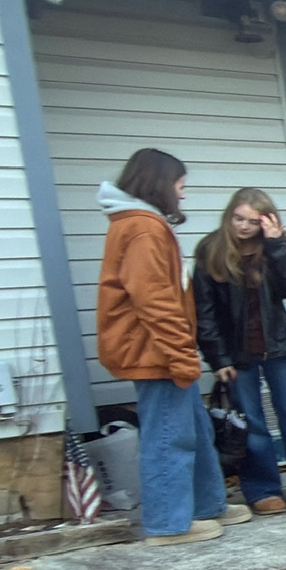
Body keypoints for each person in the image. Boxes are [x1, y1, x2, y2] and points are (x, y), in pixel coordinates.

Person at [95, 148, 252, 546]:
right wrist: (182, 356)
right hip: (155, 353)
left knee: (194, 430)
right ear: (160, 184)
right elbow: (154, 301)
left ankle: (206, 506)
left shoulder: (143, 223)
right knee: (168, 437)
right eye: (180, 185)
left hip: (161, 351)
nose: (183, 194)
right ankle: (167, 524)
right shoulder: (143, 229)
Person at [193, 188, 286, 515]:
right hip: (236, 352)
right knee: (251, 423)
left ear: (265, 221)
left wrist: (275, 244)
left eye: (252, 221)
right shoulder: (212, 248)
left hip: (278, 345)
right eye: (238, 218)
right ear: (229, 216)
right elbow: (203, 311)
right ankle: (263, 489)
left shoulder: (279, 244)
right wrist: (217, 358)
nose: (243, 226)